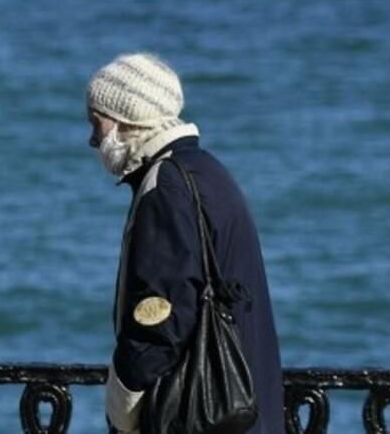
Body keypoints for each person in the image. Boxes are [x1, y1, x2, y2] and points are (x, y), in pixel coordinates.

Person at [86, 53, 284, 434]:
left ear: (128, 121)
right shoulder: (208, 171)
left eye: (98, 123)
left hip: (201, 416)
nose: (93, 139)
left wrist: (121, 409)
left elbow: (160, 319)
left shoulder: (166, 186)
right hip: (248, 408)